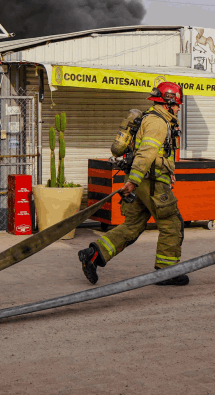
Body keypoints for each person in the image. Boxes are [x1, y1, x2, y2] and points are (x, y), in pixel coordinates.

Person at [78, 82, 188, 286]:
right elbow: (147, 153)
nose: (179, 108)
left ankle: (94, 254)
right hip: (150, 183)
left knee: (132, 226)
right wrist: (134, 181)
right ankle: (166, 272)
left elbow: (157, 154)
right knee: (172, 224)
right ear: (168, 102)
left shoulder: (150, 118)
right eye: (177, 104)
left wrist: (164, 172)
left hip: (142, 182)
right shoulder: (158, 123)